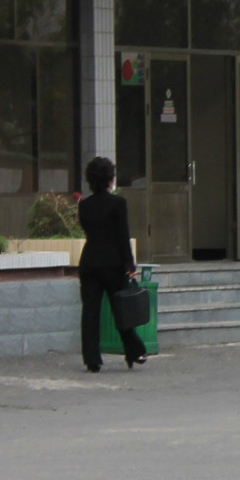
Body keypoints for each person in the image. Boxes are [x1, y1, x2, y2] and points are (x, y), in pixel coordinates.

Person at [77, 155, 146, 372]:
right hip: (113, 263)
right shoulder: (118, 203)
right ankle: (133, 351)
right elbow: (122, 237)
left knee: (90, 313)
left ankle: (92, 359)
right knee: (121, 311)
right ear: (110, 179)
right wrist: (131, 266)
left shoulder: (84, 205)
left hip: (89, 262)